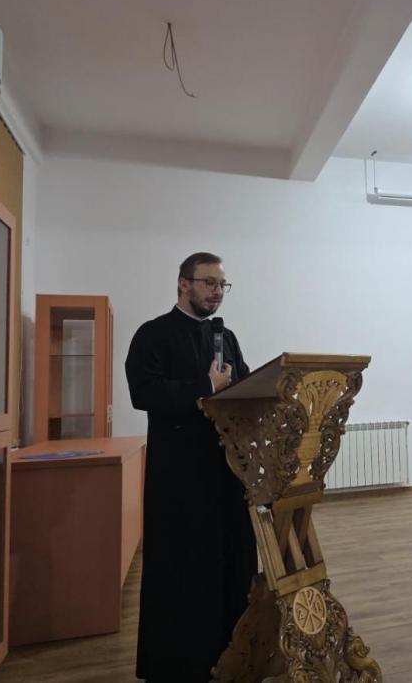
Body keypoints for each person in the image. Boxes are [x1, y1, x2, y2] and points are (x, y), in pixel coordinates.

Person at [126, 252, 258, 681]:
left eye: (222, 285)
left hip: (226, 471)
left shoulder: (226, 337)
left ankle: (232, 651)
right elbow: (144, 392)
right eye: (209, 283)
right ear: (184, 284)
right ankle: (180, 663)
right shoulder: (153, 334)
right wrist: (205, 385)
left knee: (229, 560)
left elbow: (242, 384)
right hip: (179, 478)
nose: (217, 292)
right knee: (184, 567)